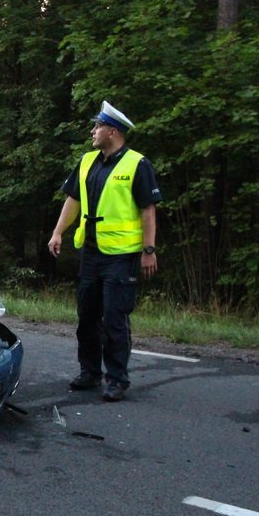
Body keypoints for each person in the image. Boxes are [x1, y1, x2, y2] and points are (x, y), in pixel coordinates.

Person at [47, 101, 162, 402]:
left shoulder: (138, 164)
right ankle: (90, 372)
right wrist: (59, 231)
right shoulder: (87, 162)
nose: (93, 131)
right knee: (87, 316)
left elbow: (148, 210)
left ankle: (116, 379)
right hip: (91, 253)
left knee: (114, 318)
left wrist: (148, 250)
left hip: (122, 256)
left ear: (113, 131)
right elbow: (73, 200)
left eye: (97, 127)